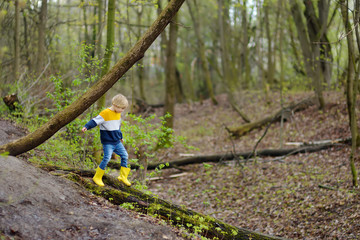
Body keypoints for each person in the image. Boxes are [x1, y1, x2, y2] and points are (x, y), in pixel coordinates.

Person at [82, 94, 131, 187]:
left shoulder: (118, 114)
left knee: (125, 155)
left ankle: (123, 176)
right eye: (122, 109)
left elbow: (117, 127)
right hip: (108, 142)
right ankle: (97, 177)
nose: (123, 111)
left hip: (117, 141)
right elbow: (95, 121)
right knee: (107, 158)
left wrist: (120, 136)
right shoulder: (105, 113)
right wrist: (86, 127)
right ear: (116, 105)